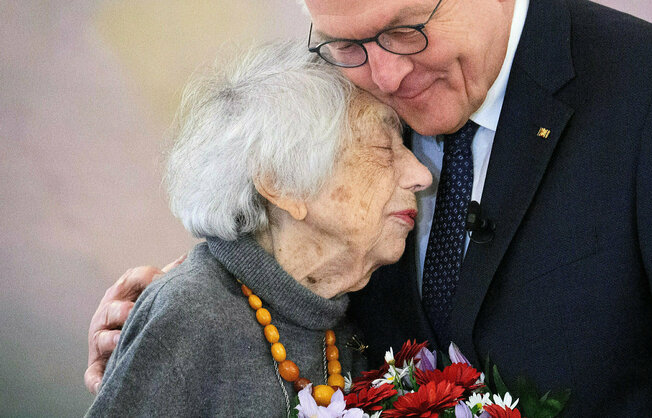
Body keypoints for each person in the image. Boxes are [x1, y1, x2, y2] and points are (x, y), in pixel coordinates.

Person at [87, 0, 652, 415]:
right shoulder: (348, 93)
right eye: (346, 43)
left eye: (406, 28)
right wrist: (167, 344)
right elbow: (296, 278)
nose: (382, 72)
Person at [86, 40, 431, 416]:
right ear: (281, 184)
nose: (421, 175)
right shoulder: (192, 313)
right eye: (384, 149)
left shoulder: (338, 325)